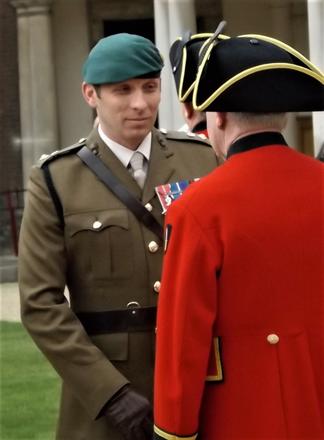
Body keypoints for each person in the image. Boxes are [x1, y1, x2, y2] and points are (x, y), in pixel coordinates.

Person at [18, 33, 220, 440]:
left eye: (150, 87)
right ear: (90, 94)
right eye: (122, 90)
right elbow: (40, 303)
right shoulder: (56, 179)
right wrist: (109, 393)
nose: (141, 103)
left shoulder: (200, 158)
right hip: (108, 397)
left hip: (197, 380)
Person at [154, 32, 324, 439]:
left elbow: (181, 346)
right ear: (281, 117)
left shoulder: (197, 208)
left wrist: (173, 431)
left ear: (219, 117)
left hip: (246, 418)